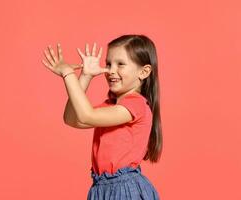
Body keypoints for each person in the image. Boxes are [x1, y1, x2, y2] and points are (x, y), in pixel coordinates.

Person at [41, 34, 163, 200]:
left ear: (144, 71)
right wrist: (85, 76)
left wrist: (68, 74)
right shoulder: (110, 107)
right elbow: (72, 118)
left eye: (120, 64)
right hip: (101, 187)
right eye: (108, 63)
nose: (111, 70)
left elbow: (86, 115)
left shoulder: (137, 105)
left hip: (124, 190)